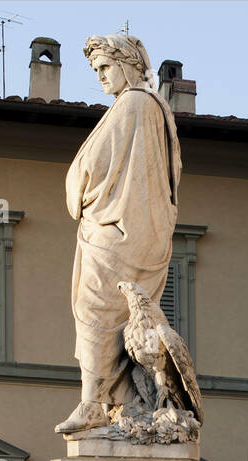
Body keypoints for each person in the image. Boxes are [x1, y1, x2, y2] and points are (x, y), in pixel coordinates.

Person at [56, 33, 182, 435]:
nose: (100, 77)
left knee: (96, 309)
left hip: (118, 235)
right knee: (121, 321)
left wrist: (77, 188)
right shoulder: (154, 108)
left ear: (127, 65)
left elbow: (92, 165)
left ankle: (94, 402)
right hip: (139, 233)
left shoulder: (134, 104)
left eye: (105, 68)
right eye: (96, 70)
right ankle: (125, 401)